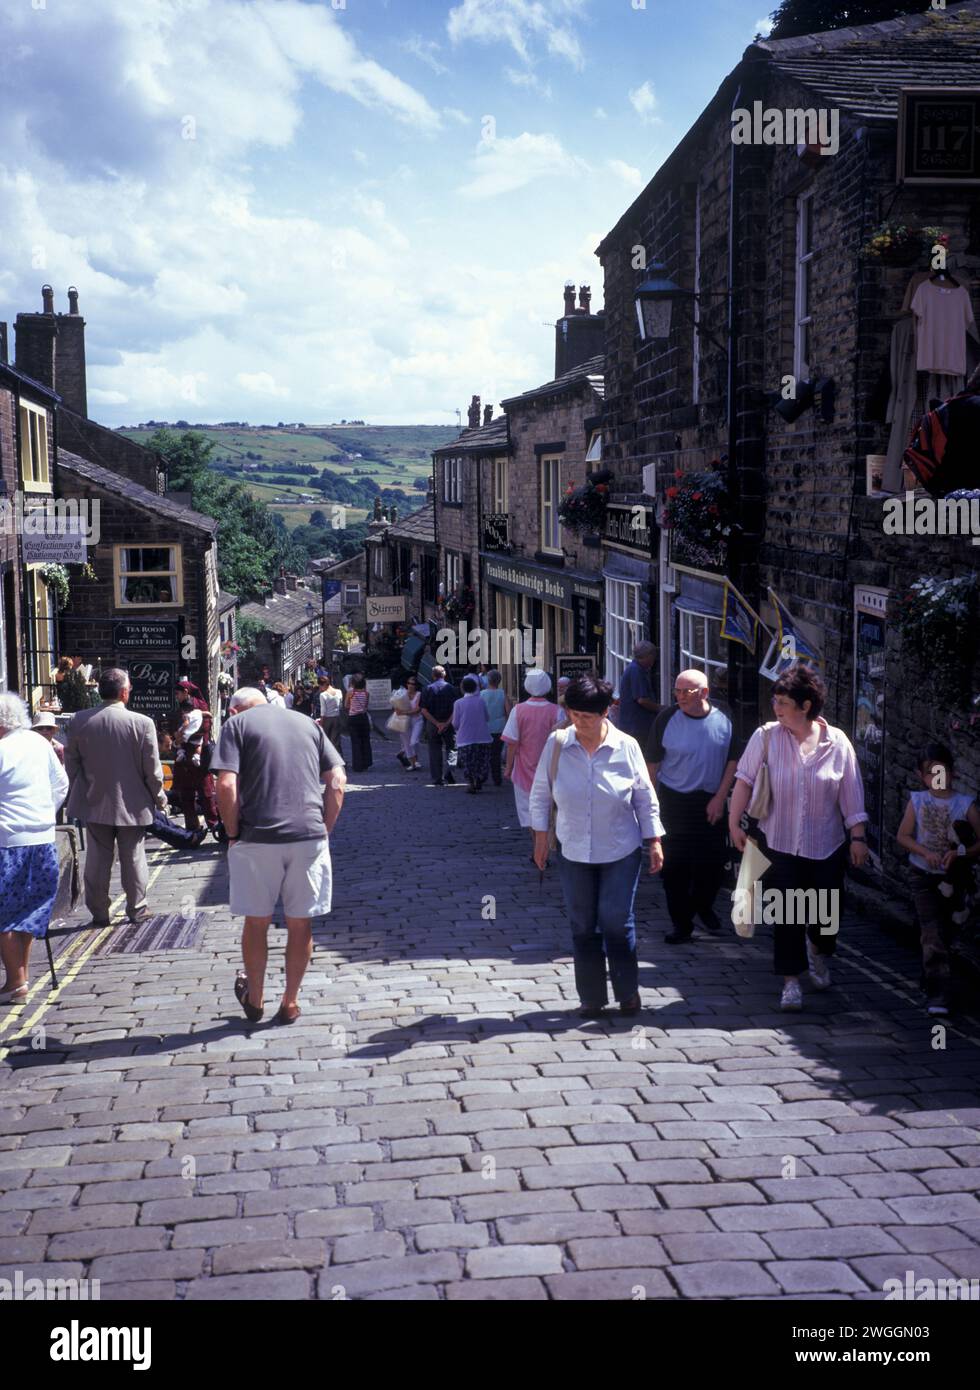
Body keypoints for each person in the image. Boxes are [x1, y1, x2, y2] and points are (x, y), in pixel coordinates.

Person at [729, 663, 869, 1012]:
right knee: (788, 915)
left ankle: (819, 952)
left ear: (805, 706)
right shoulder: (766, 737)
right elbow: (744, 780)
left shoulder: (837, 743)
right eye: (775, 701)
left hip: (827, 844)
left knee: (824, 917)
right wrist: (735, 824)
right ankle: (791, 983)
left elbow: (850, 792)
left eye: (783, 702)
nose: (776, 708)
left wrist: (858, 836)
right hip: (780, 842)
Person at [529, 674, 664, 1018]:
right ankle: (591, 996)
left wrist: (655, 840)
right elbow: (541, 793)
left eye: (587, 716)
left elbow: (644, 797)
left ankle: (627, 990)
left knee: (616, 920)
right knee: (583, 924)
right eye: (574, 714)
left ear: (606, 712)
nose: (579, 722)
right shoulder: (558, 744)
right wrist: (541, 839)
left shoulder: (626, 746)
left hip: (620, 847)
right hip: (573, 848)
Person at [212, 687, 346, 1026]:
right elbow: (337, 782)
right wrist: (324, 828)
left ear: (233, 710)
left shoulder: (236, 727)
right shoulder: (307, 724)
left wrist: (231, 834)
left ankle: (255, 999)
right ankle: (290, 1002)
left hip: (257, 837)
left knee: (257, 921)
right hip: (308, 835)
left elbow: (226, 786)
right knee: (301, 923)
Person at [65, 667, 168, 928]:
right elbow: (152, 769)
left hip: (93, 800)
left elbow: (71, 764)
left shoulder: (79, 720)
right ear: (124, 692)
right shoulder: (142, 723)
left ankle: (99, 913)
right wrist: (160, 799)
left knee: (98, 858)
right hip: (132, 804)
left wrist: (74, 793)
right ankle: (137, 908)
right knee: (133, 856)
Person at [646, 669, 740, 943]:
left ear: (704, 693)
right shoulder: (666, 719)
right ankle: (682, 924)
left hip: (710, 800)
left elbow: (733, 759)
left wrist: (720, 797)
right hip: (674, 800)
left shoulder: (724, 717)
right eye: (677, 691)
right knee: (675, 868)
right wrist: (651, 805)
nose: (680, 696)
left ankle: (702, 905)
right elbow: (651, 765)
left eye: (687, 691)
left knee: (713, 865)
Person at [897, 743, 980, 1017]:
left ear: (952, 773)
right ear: (922, 776)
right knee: (932, 933)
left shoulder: (964, 804)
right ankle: (939, 995)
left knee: (947, 932)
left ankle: (931, 977)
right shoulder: (918, 801)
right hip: (922, 876)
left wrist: (959, 853)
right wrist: (925, 852)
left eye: (941, 771)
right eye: (930, 773)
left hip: (955, 879)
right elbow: (904, 836)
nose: (936, 777)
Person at [0, 692, 69, 1003]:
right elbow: (61, 785)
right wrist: (42, 815)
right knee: (27, 911)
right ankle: (20, 978)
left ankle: (15, 981)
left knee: (4, 914)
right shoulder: (39, 744)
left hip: (7, 843)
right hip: (43, 840)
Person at [501, 669, 562, 850]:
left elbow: (512, 743)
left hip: (523, 768)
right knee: (548, 807)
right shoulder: (556, 711)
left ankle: (537, 843)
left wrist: (508, 767)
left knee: (529, 810)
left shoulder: (518, 710)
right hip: (551, 767)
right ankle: (547, 843)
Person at [171, 680, 219, 835]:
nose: (176, 696)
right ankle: (192, 827)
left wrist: (183, 736)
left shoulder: (199, 705)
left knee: (206, 792)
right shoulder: (182, 707)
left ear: (186, 692)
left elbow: (205, 727)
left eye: (178, 693)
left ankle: (214, 824)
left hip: (198, 754)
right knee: (186, 793)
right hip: (184, 755)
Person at [452, 675, 492, 793]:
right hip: (482, 736)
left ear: (463, 688)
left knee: (468, 762)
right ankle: (479, 779)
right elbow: (487, 717)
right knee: (481, 761)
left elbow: (455, 723)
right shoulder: (481, 701)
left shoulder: (458, 703)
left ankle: (471, 782)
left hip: (465, 738)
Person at [419, 665, 458, 786]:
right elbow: (456, 709)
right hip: (449, 722)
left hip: (432, 723)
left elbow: (423, 710)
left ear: (433, 675)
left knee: (434, 749)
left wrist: (436, 723)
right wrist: (446, 723)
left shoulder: (427, 689)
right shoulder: (451, 688)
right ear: (444, 674)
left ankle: (437, 777)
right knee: (452, 748)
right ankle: (450, 771)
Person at [617, 640, 660, 747]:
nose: (654, 659)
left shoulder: (635, 668)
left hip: (634, 726)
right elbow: (642, 700)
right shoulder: (636, 671)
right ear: (647, 656)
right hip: (636, 727)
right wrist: (661, 708)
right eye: (653, 656)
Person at [480, 670, 509, 786]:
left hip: (485, 727)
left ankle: (484, 775)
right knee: (496, 754)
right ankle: (497, 778)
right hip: (499, 727)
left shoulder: (482, 694)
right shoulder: (502, 693)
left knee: (485, 753)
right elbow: (508, 711)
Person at [390, 676, 422, 771]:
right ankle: (412, 764)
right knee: (407, 743)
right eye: (409, 683)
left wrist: (403, 712)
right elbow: (395, 705)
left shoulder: (419, 694)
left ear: (416, 686)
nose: (410, 685)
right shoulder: (401, 694)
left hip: (417, 720)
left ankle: (415, 759)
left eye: (413, 684)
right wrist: (397, 709)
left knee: (414, 741)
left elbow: (417, 709)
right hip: (404, 721)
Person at [345, 673, 373, 772]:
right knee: (365, 740)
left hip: (353, 718)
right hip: (363, 718)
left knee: (355, 742)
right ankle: (366, 762)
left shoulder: (350, 693)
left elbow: (346, 705)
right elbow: (366, 706)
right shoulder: (366, 693)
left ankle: (357, 765)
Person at [317, 673, 344, 755]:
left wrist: (321, 723)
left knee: (327, 742)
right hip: (337, 718)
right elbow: (340, 705)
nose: (320, 688)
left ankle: (329, 762)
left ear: (322, 685)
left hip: (327, 719)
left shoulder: (323, 695)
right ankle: (340, 761)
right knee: (336, 742)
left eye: (320, 686)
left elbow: (323, 711)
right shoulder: (339, 691)